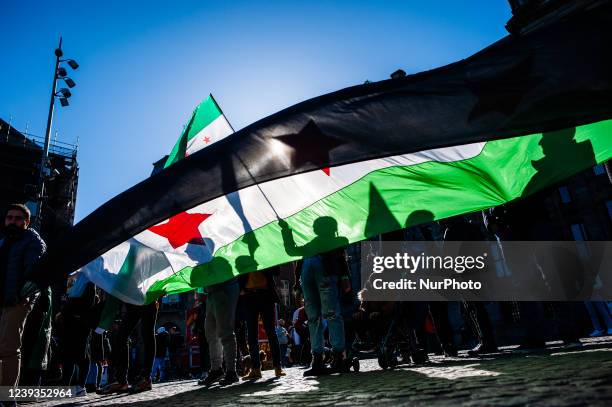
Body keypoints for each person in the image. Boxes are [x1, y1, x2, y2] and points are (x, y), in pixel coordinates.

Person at [0, 203, 46, 389]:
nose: (12, 221)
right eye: (9, 217)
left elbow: (34, 272)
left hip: (17, 301)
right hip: (2, 299)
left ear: (26, 222)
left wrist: (26, 297)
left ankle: (7, 396)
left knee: (9, 348)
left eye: (17, 218)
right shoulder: (4, 241)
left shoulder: (33, 241)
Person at [237, 258, 286, 380]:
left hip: (265, 295)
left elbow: (276, 270)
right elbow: (237, 270)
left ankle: (277, 367)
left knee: (271, 333)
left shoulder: (264, 252)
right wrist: (240, 288)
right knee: (252, 336)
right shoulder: (242, 256)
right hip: (249, 296)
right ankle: (256, 369)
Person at [198, 261, 240, 387]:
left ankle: (231, 371)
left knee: (225, 331)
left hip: (222, 289)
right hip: (212, 291)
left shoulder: (215, 249)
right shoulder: (203, 250)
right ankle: (216, 369)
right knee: (211, 333)